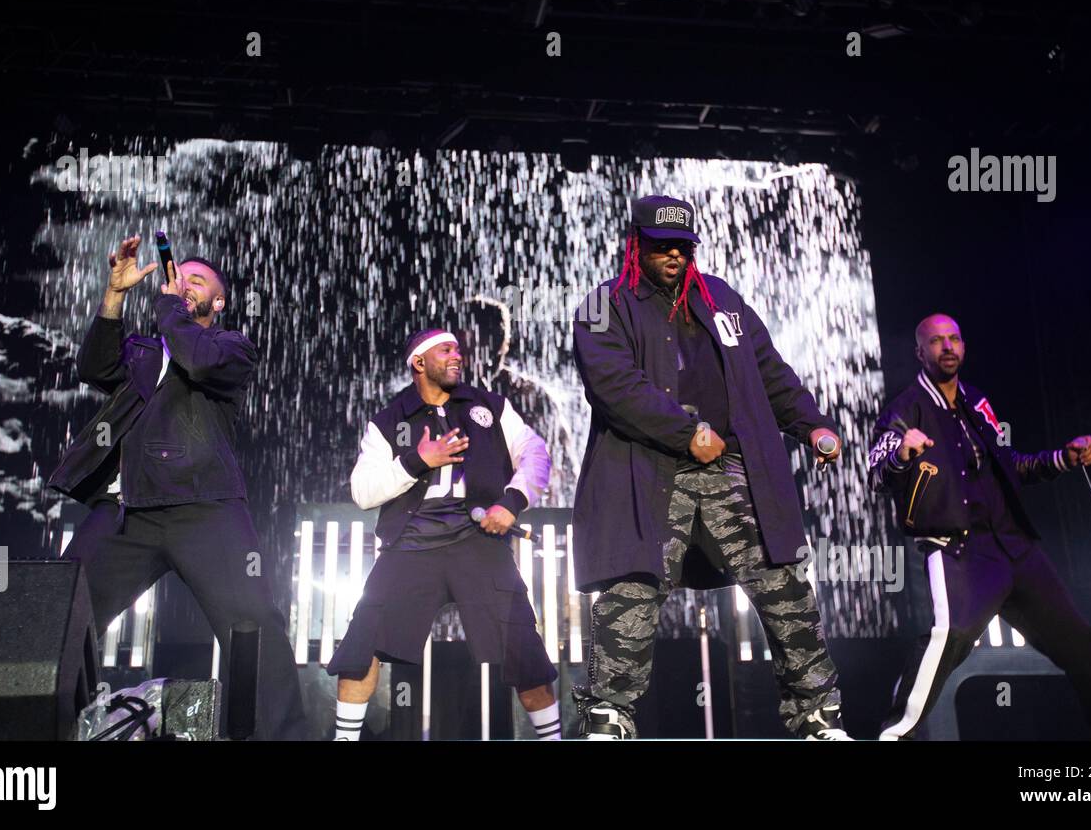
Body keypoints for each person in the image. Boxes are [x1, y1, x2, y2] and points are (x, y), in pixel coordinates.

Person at [570, 195, 849, 740]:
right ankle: (608, 717)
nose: (673, 254)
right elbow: (612, 385)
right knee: (633, 590)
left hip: (730, 469)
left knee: (782, 581)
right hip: (647, 471)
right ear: (636, 244)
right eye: (660, 245)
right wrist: (684, 431)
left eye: (682, 245)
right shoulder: (606, 304)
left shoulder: (721, 298)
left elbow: (770, 373)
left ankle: (817, 714)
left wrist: (811, 423)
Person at [49, 235, 308, 740]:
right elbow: (95, 367)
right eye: (177, 277)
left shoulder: (231, 347)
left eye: (197, 281)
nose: (182, 285)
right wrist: (115, 295)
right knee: (59, 619)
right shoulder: (144, 352)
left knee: (253, 626)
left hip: (205, 507)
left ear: (220, 301)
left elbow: (198, 361)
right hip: (126, 511)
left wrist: (171, 307)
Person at [867, 312, 1091, 739]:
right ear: (920, 351)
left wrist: (1064, 458)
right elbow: (876, 474)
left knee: (1078, 640)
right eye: (936, 341)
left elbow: (1012, 466)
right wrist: (900, 456)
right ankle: (893, 736)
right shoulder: (905, 408)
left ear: (964, 347)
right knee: (946, 639)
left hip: (1015, 545)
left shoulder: (977, 402)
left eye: (954, 338)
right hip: (961, 551)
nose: (947, 347)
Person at [326, 328, 561, 740]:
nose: (457, 356)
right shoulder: (389, 420)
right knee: (360, 646)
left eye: (458, 349)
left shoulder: (489, 406)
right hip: (410, 548)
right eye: (445, 350)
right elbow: (362, 492)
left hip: (478, 545)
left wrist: (511, 502)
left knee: (524, 649)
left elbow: (535, 453)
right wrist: (418, 459)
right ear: (419, 363)